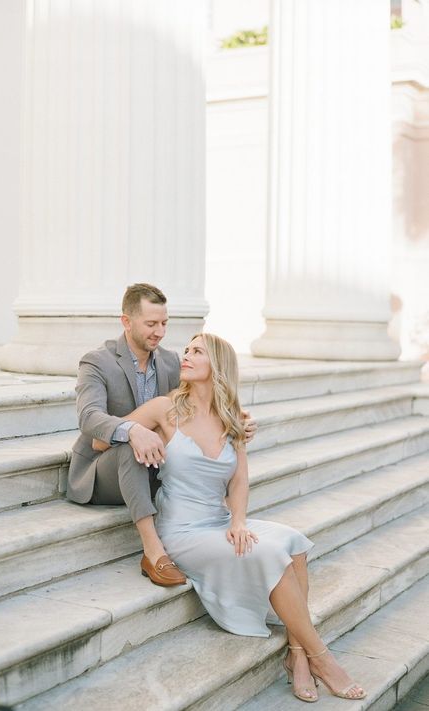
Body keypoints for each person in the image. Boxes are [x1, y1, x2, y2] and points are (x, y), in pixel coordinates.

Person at [96, 332, 366, 703]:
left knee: (294, 543)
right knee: (271, 554)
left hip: (219, 520)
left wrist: (238, 521)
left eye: (197, 352)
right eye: (187, 350)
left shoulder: (233, 418)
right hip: (182, 530)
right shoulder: (164, 408)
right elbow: (100, 441)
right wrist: (137, 430)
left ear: (217, 366)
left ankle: (297, 655)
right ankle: (322, 657)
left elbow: (239, 478)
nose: (186, 357)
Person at [67, 283, 256, 588]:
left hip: (156, 468)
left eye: (164, 323)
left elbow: (195, 406)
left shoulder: (170, 362)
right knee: (131, 447)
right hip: (103, 468)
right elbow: (89, 419)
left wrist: (237, 420)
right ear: (126, 322)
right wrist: (132, 430)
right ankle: (153, 552)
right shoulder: (97, 361)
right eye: (151, 324)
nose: (160, 332)